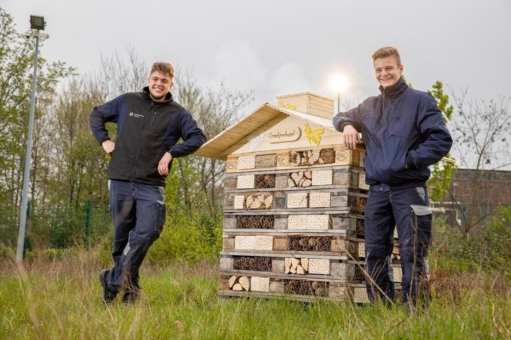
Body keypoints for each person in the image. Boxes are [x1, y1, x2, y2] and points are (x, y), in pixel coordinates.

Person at [332, 47, 452, 309]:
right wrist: (348, 125)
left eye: (388, 68)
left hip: (410, 190)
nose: (384, 73)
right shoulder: (369, 106)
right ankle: (382, 310)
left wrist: (408, 160)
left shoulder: (421, 101)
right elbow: (339, 115)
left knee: (413, 252)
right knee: (375, 253)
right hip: (377, 193)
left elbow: (441, 139)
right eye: (378, 70)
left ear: (400, 68)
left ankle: (415, 312)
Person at [90, 61, 207, 303]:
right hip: (120, 178)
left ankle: (111, 280)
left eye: (164, 81)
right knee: (122, 239)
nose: (158, 83)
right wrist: (104, 140)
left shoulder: (177, 113)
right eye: (155, 79)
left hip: (151, 184)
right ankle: (130, 291)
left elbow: (198, 137)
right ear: (148, 79)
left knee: (148, 232)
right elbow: (97, 114)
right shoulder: (128, 101)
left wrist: (172, 152)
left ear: (170, 84)